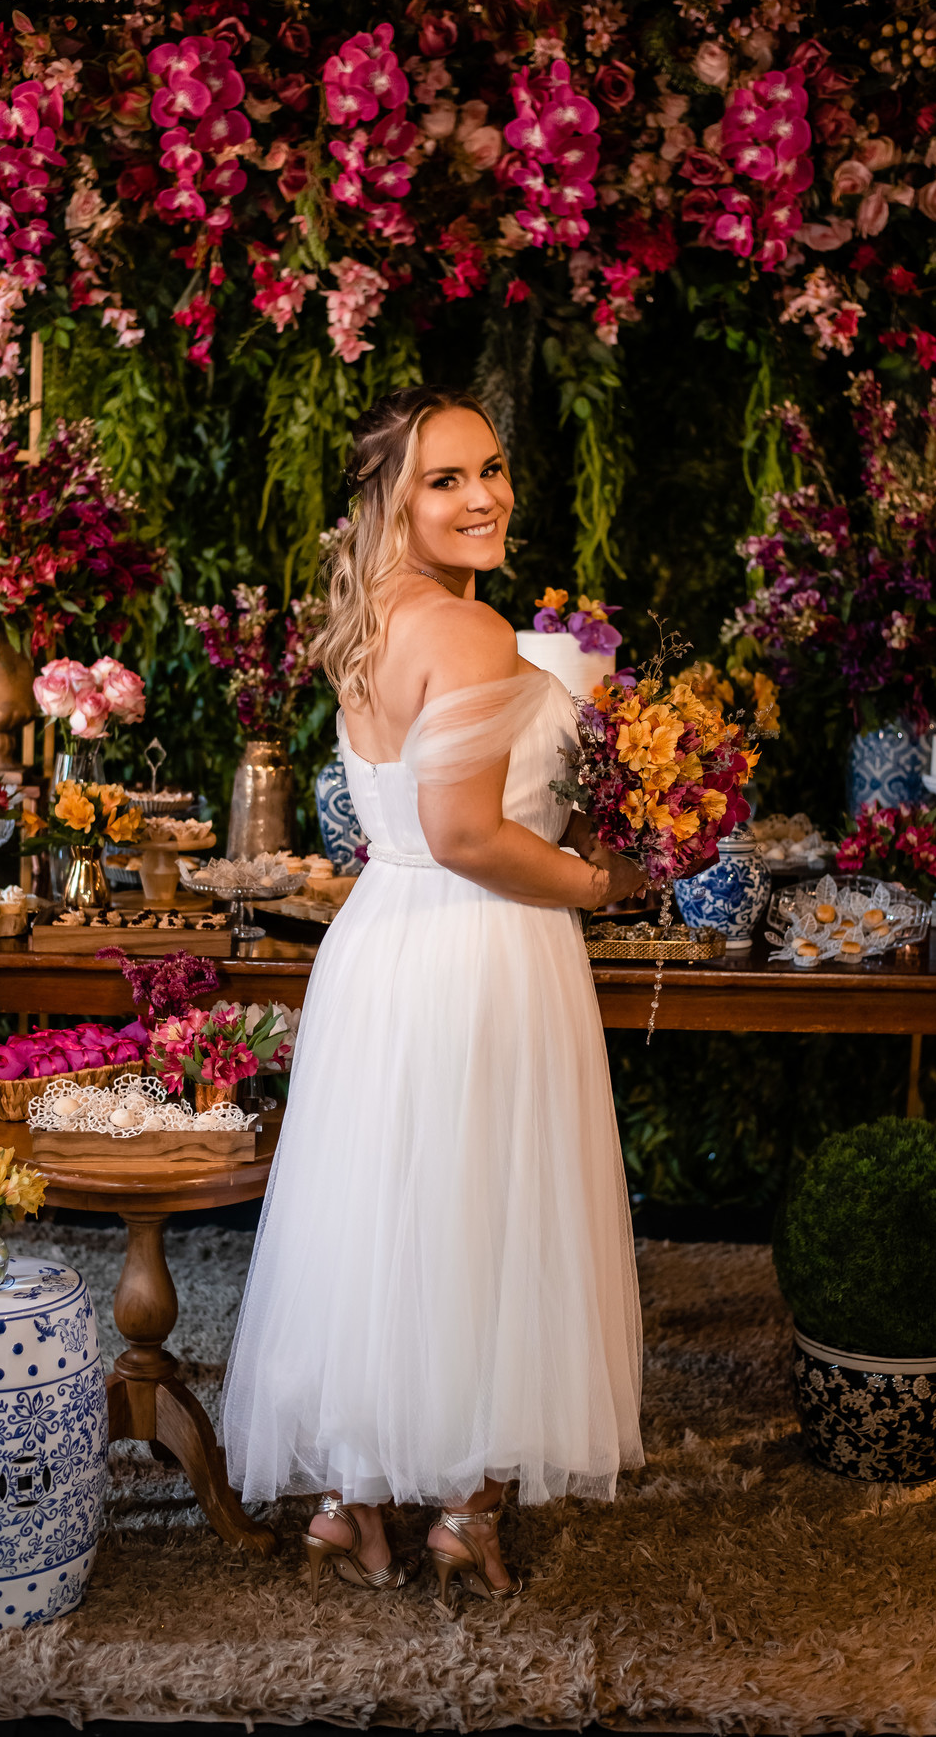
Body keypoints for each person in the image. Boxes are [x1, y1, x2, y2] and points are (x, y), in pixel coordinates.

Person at [220, 384, 646, 1607]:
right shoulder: (465, 633)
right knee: (484, 1217)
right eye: (447, 479)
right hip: (478, 942)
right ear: (395, 501)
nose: (485, 496)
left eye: (493, 469)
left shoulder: (375, 620)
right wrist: (596, 883)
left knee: (390, 1211)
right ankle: (463, 1509)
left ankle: (354, 1503)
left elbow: (413, 820)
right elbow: (465, 834)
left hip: (385, 941)